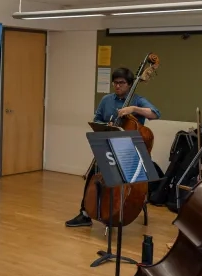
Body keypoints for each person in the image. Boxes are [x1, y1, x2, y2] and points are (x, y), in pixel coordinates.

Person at [65, 67, 160, 228]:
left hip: (129, 152)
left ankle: (121, 209)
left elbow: (155, 113)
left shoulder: (137, 100)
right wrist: (106, 125)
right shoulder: (106, 100)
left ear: (130, 84)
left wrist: (133, 109)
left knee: (123, 180)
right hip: (109, 146)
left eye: (121, 83)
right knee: (93, 174)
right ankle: (85, 213)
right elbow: (97, 120)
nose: (117, 86)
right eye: (115, 83)